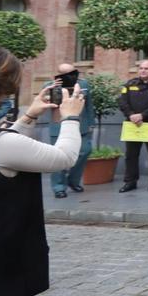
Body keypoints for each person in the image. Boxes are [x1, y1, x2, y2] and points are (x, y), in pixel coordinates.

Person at [0, 47, 86, 296]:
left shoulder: (2, 143)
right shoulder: (2, 145)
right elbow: (64, 157)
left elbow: (2, 149)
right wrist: (70, 119)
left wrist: (29, 116)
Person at [117, 59, 148, 193]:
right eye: (141, 68)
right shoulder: (130, 84)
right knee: (131, 155)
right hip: (132, 124)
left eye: (146, 68)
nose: (143, 71)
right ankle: (130, 182)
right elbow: (122, 101)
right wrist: (131, 115)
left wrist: (143, 115)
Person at [46, 64, 94, 198]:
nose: (71, 76)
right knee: (57, 157)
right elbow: (45, 101)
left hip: (81, 125)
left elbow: (89, 105)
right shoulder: (49, 85)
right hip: (59, 126)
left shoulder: (84, 84)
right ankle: (59, 187)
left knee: (85, 151)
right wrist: (54, 87)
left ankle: (73, 181)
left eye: (73, 72)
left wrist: (91, 123)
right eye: (67, 74)